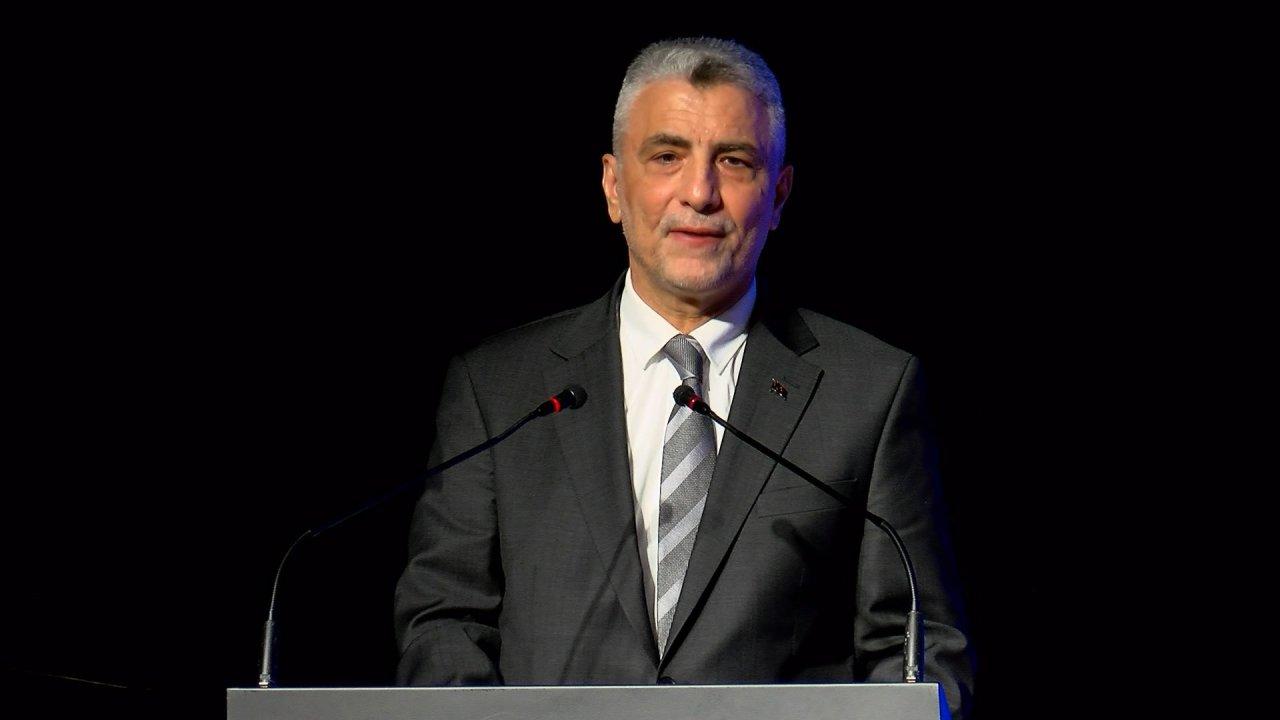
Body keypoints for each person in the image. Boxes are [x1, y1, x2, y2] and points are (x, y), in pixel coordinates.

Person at [394, 37, 974, 717]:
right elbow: (444, 624)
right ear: (614, 186)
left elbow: (914, 649)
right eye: (667, 156)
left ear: (778, 195)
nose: (700, 193)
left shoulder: (870, 391)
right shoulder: (497, 390)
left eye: (734, 161)